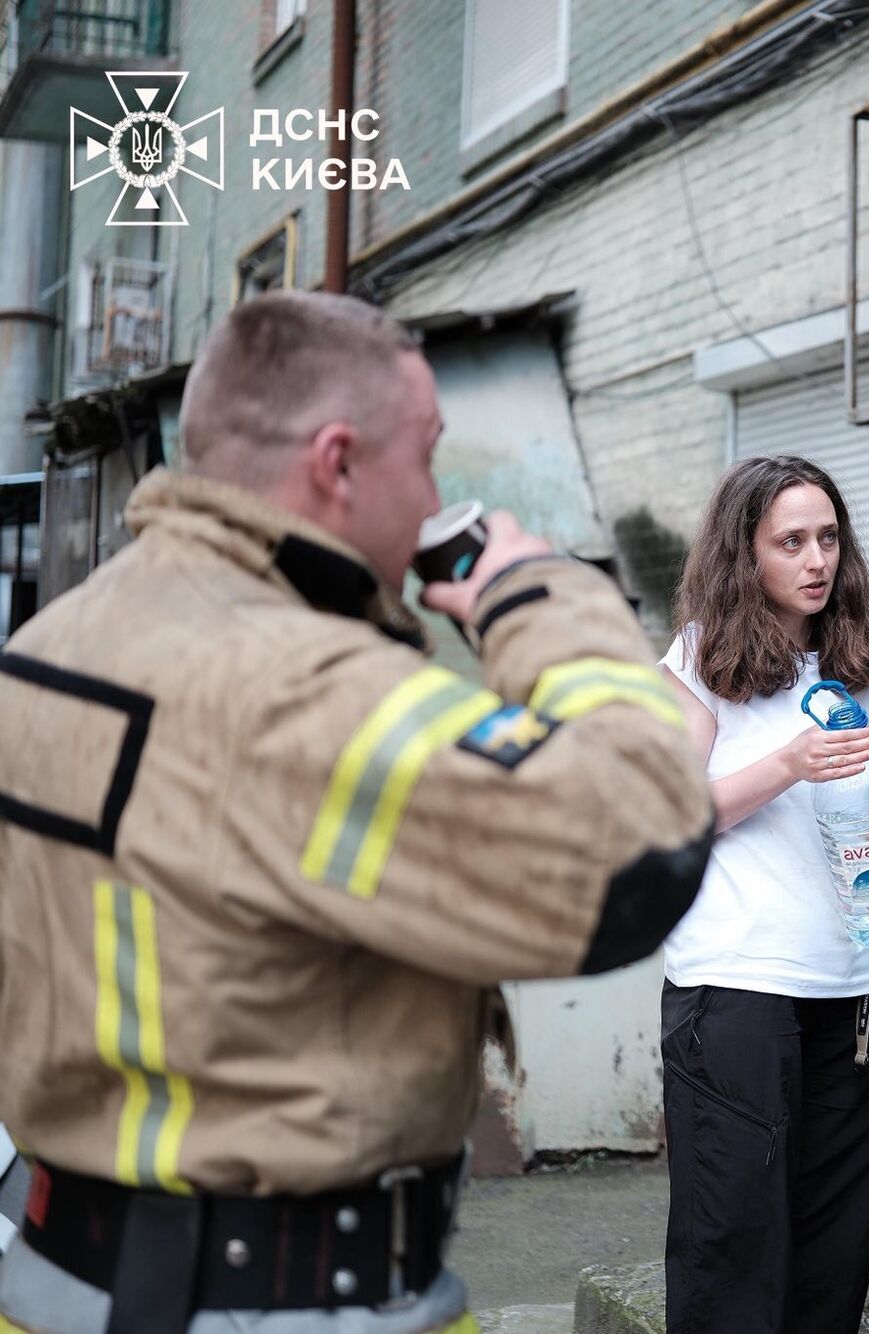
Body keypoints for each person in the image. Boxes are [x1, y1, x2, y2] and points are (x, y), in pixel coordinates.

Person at [0, 291, 714, 1334]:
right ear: (336, 462)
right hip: (280, 1302)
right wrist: (541, 601)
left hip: (57, 1282)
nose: (433, 496)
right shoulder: (303, 687)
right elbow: (636, 844)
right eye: (426, 456)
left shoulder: (51, 647)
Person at [655, 454, 869, 1334]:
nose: (816, 559)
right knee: (733, 1263)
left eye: (828, 537)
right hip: (736, 996)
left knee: (833, 1264)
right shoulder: (695, 664)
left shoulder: (859, 671)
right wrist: (786, 763)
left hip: (852, 1002)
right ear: (742, 554)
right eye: (790, 541)